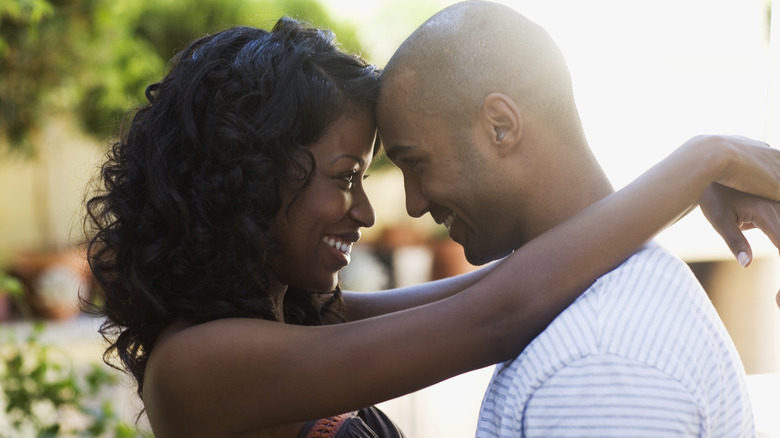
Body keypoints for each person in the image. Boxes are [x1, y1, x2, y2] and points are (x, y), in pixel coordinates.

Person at [83, 15, 780, 438]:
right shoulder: (198, 368)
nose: (370, 210)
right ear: (254, 178)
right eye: (346, 175)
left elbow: (514, 280)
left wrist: (686, 189)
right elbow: (497, 313)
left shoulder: (294, 320)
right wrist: (704, 158)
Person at [376, 1, 780, 436]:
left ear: (500, 126)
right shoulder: (595, 320)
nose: (413, 204)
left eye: (416, 164)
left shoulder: (599, 360)